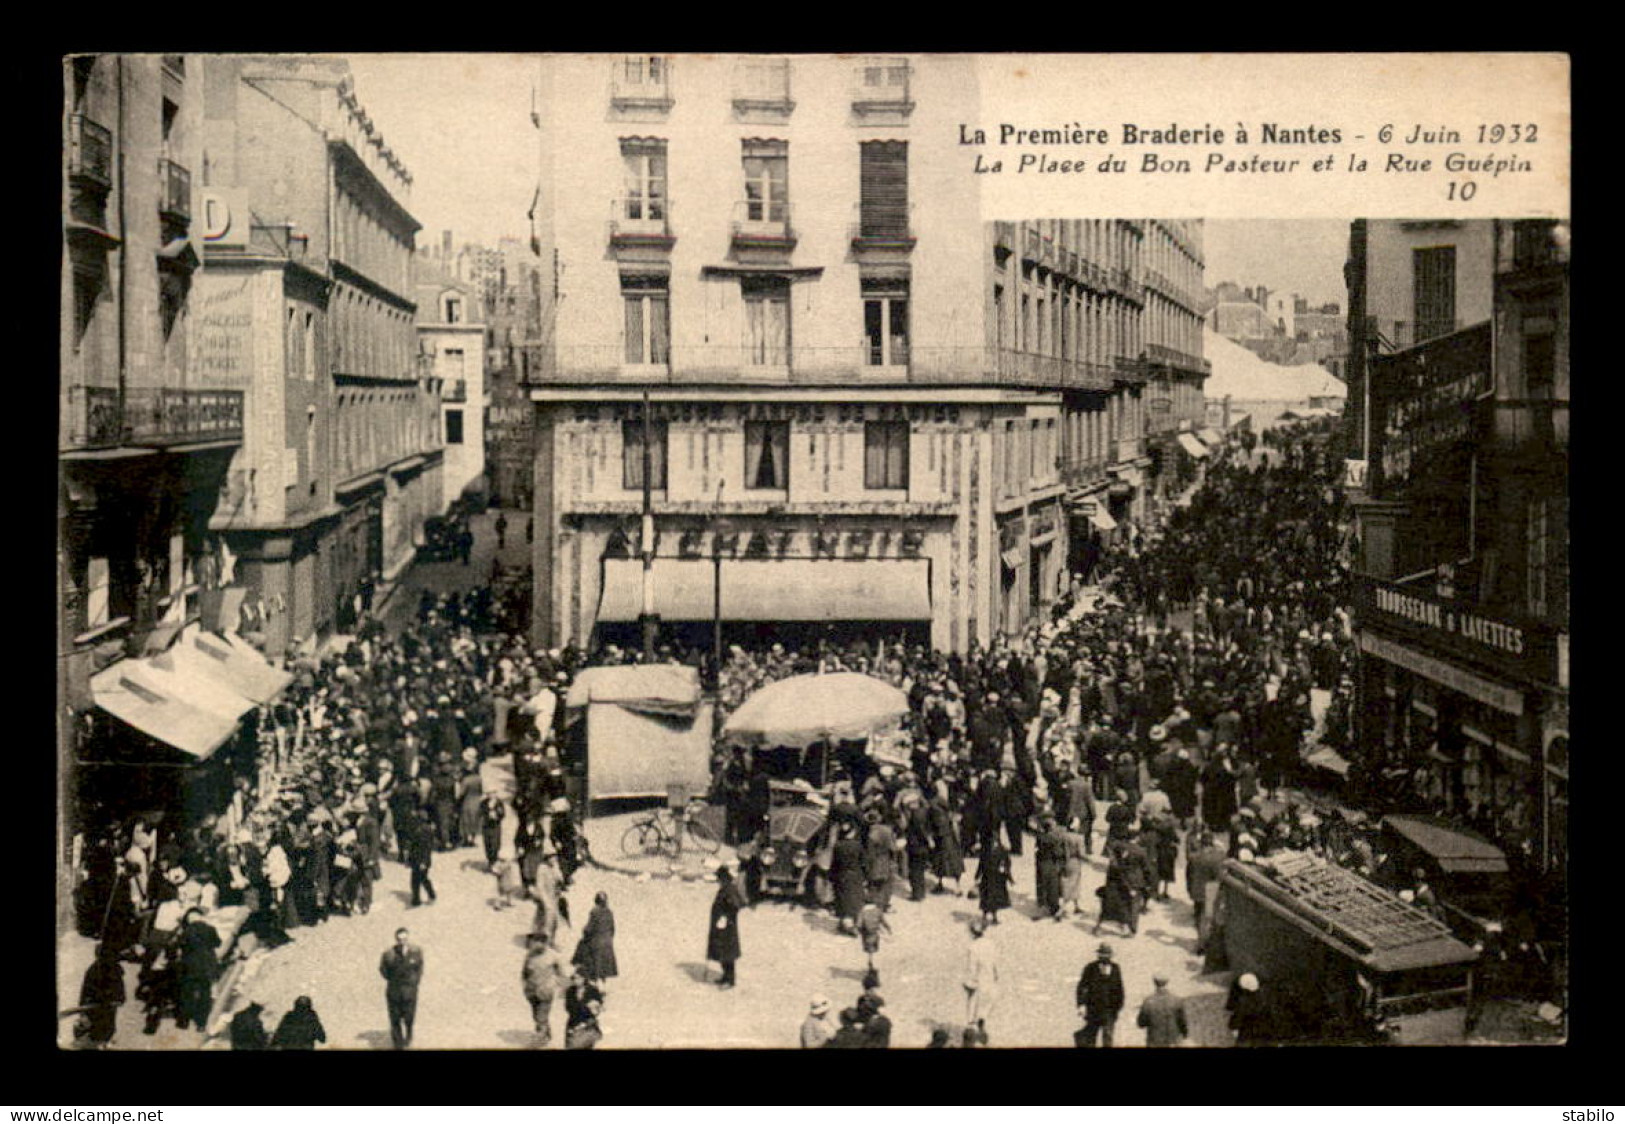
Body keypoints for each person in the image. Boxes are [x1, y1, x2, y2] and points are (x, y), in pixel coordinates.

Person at [379, 927, 425, 1049]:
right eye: (399, 939)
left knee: (409, 1017)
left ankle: (409, 1035)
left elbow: (419, 968)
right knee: (395, 1019)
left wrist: (414, 982)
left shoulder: (416, 952)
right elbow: (383, 970)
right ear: (396, 940)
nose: (402, 942)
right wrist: (394, 981)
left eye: (404, 939)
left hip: (410, 992)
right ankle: (398, 1044)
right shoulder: (388, 954)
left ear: (407, 939)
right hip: (394, 991)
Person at [521, 935, 570, 1047]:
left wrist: (565, 988)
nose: (535, 944)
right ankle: (546, 1034)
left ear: (545, 943)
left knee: (541, 1016)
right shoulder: (530, 955)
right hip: (531, 990)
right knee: (536, 1015)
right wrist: (525, 987)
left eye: (538, 942)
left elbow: (561, 973)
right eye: (534, 942)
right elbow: (525, 972)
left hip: (546, 990)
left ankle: (540, 1039)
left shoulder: (553, 956)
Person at [1076, 943, 1126, 1047]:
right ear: (1098, 955)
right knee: (1091, 1037)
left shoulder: (1116, 968)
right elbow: (1081, 987)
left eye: (1107, 955)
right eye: (1102, 954)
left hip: (1110, 1010)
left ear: (1111, 956)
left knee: (1108, 1038)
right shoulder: (1090, 968)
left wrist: (1118, 1006)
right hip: (1093, 1009)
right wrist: (1081, 1004)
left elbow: (1119, 988)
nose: (1105, 957)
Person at [707, 865, 745, 988]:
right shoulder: (725, 888)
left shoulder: (729, 889)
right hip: (721, 927)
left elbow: (737, 905)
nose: (718, 880)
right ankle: (725, 977)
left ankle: (730, 980)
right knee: (721, 953)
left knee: (728, 955)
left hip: (727, 928)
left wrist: (726, 917)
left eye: (719, 878)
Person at [572, 891, 619, 990]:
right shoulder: (609, 912)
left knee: (582, 949)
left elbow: (589, 928)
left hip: (596, 942)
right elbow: (613, 929)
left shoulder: (594, 911)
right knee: (603, 961)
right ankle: (602, 982)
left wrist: (584, 932)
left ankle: (589, 978)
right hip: (608, 942)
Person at [962, 918, 999, 1033]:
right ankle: (982, 1017)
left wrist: (970, 981)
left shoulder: (972, 947)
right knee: (990, 999)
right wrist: (995, 972)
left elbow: (972, 966)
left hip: (978, 977)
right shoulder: (991, 943)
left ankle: (970, 1025)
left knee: (972, 1001)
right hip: (989, 975)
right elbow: (994, 960)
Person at [830, 825, 866, 934]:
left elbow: (834, 863)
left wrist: (832, 876)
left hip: (841, 875)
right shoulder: (858, 846)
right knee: (854, 899)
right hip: (855, 875)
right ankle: (851, 926)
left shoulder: (838, 846)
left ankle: (843, 922)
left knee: (842, 899)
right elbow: (863, 862)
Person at [1136, 974, 1189, 1047]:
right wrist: (1185, 1034)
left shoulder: (1148, 1001)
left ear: (1154, 983)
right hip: (1173, 1041)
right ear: (1167, 982)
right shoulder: (1176, 1000)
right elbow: (1183, 1022)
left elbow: (1141, 1023)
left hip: (1154, 1041)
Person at [975, 838, 1012, 926]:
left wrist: (1007, 874)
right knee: (985, 897)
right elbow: (981, 864)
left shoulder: (1003, 851)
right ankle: (984, 915)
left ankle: (994, 916)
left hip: (997, 878)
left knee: (995, 898)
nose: (994, 844)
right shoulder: (985, 851)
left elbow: (1007, 863)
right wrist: (977, 875)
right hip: (986, 878)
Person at [563, 972, 605, 1049]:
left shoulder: (592, 990)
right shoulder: (570, 991)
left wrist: (594, 1007)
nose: (576, 980)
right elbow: (568, 1007)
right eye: (574, 978)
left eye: (578, 978)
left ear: (584, 978)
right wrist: (584, 1007)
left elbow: (599, 1006)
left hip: (588, 1023)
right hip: (573, 1022)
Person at [856, 900, 891, 985]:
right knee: (874, 950)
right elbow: (883, 921)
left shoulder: (862, 912)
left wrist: (858, 931)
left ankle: (871, 969)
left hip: (867, 934)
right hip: (875, 933)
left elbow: (859, 924)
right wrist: (888, 928)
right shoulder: (878, 910)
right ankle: (873, 967)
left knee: (870, 952)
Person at [478, 793, 506, 870]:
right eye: (489, 793)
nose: (491, 795)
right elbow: (480, 812)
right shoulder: (484, 802)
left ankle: (494, 862)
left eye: (493, 793)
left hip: (495, 826)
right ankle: (491, 861)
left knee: (495, 844)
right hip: (486, 826)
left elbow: (503, 814)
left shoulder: (499, 802)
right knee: (488, 844)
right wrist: (487, 814)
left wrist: (497, 815)